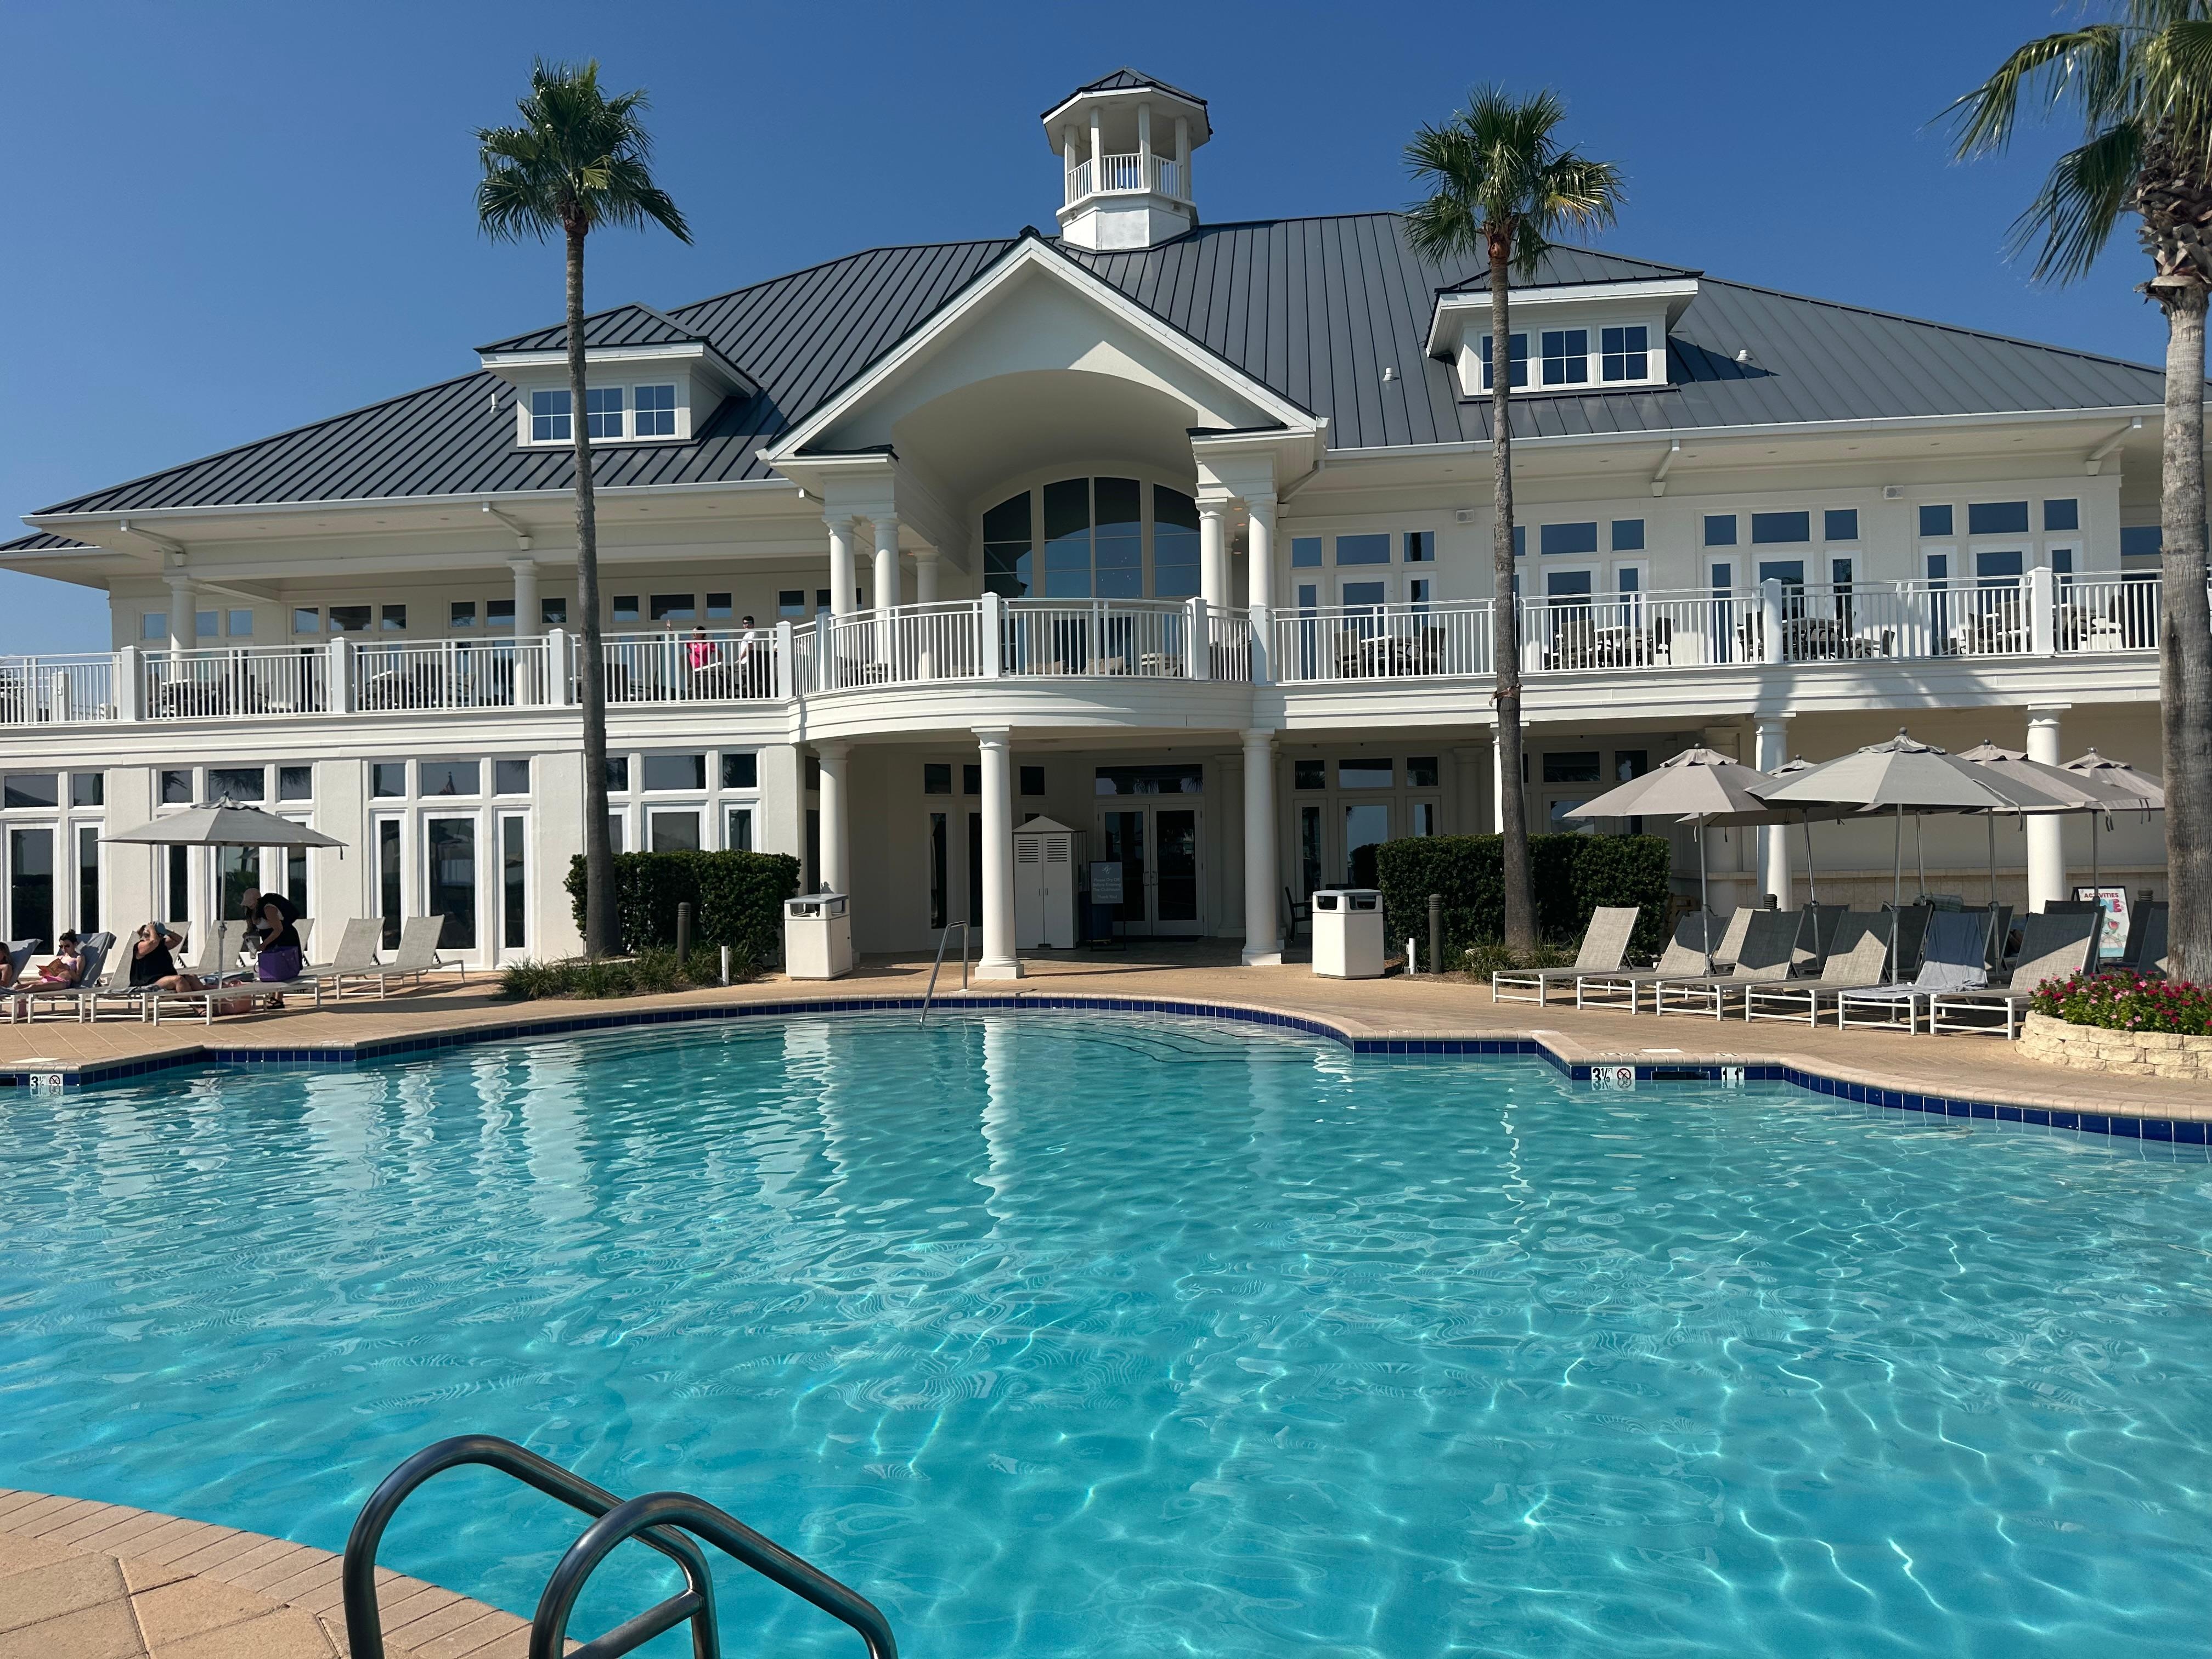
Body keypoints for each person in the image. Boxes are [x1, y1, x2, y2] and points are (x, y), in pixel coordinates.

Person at [242, 887, 303, 1004]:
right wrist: (248, 934)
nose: (250, 906)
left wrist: (264, 944)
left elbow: (279, 929)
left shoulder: (268, 908)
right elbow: (255, 928)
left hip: (285, 937)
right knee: (271, 968)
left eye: (251, 903)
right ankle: (273, 996)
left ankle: (278, 999)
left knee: (281, 967)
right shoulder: (250, 911)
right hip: (270, 938)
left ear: (258, 900)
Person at [129, 922, 200, 994]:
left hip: (166, 978)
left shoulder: (161, 945)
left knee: (192, 978)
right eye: (160, 935)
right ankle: (193, 1002)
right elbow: (154, 942)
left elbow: (178, 939)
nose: (162, 937)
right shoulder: (140, 946)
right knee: (179, 980)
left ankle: (203, 1002)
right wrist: (152, 929)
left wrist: (166, 931)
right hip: (149, 982)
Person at [12, 933, 84, 994]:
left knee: (34, 987)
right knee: (19, 986)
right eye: (61, 946)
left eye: (67, 946)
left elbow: (78, 979)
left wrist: (68, 969)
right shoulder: (61, 958)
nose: (64, 949)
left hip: (62, 982)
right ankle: (13, 997)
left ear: (75, 944)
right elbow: (53, 973)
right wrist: (45, 973)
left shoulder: (79, 958)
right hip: (49, 979)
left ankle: (13, 994)